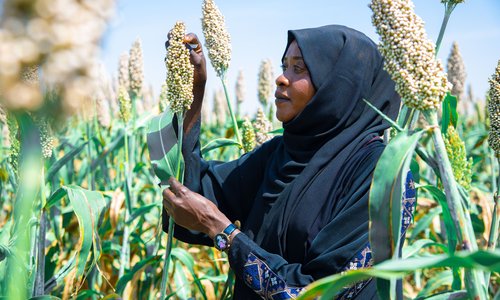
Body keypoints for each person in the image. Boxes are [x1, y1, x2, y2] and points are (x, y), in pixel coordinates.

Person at [162, 24, 414, 299]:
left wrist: (223, 232)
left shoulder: (385, 174)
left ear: (341, 84)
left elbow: (321, 292)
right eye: (284, 66)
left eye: (300, 68)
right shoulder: (280, 154)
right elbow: (189, 193)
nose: (281, 79)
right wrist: (191, 92)